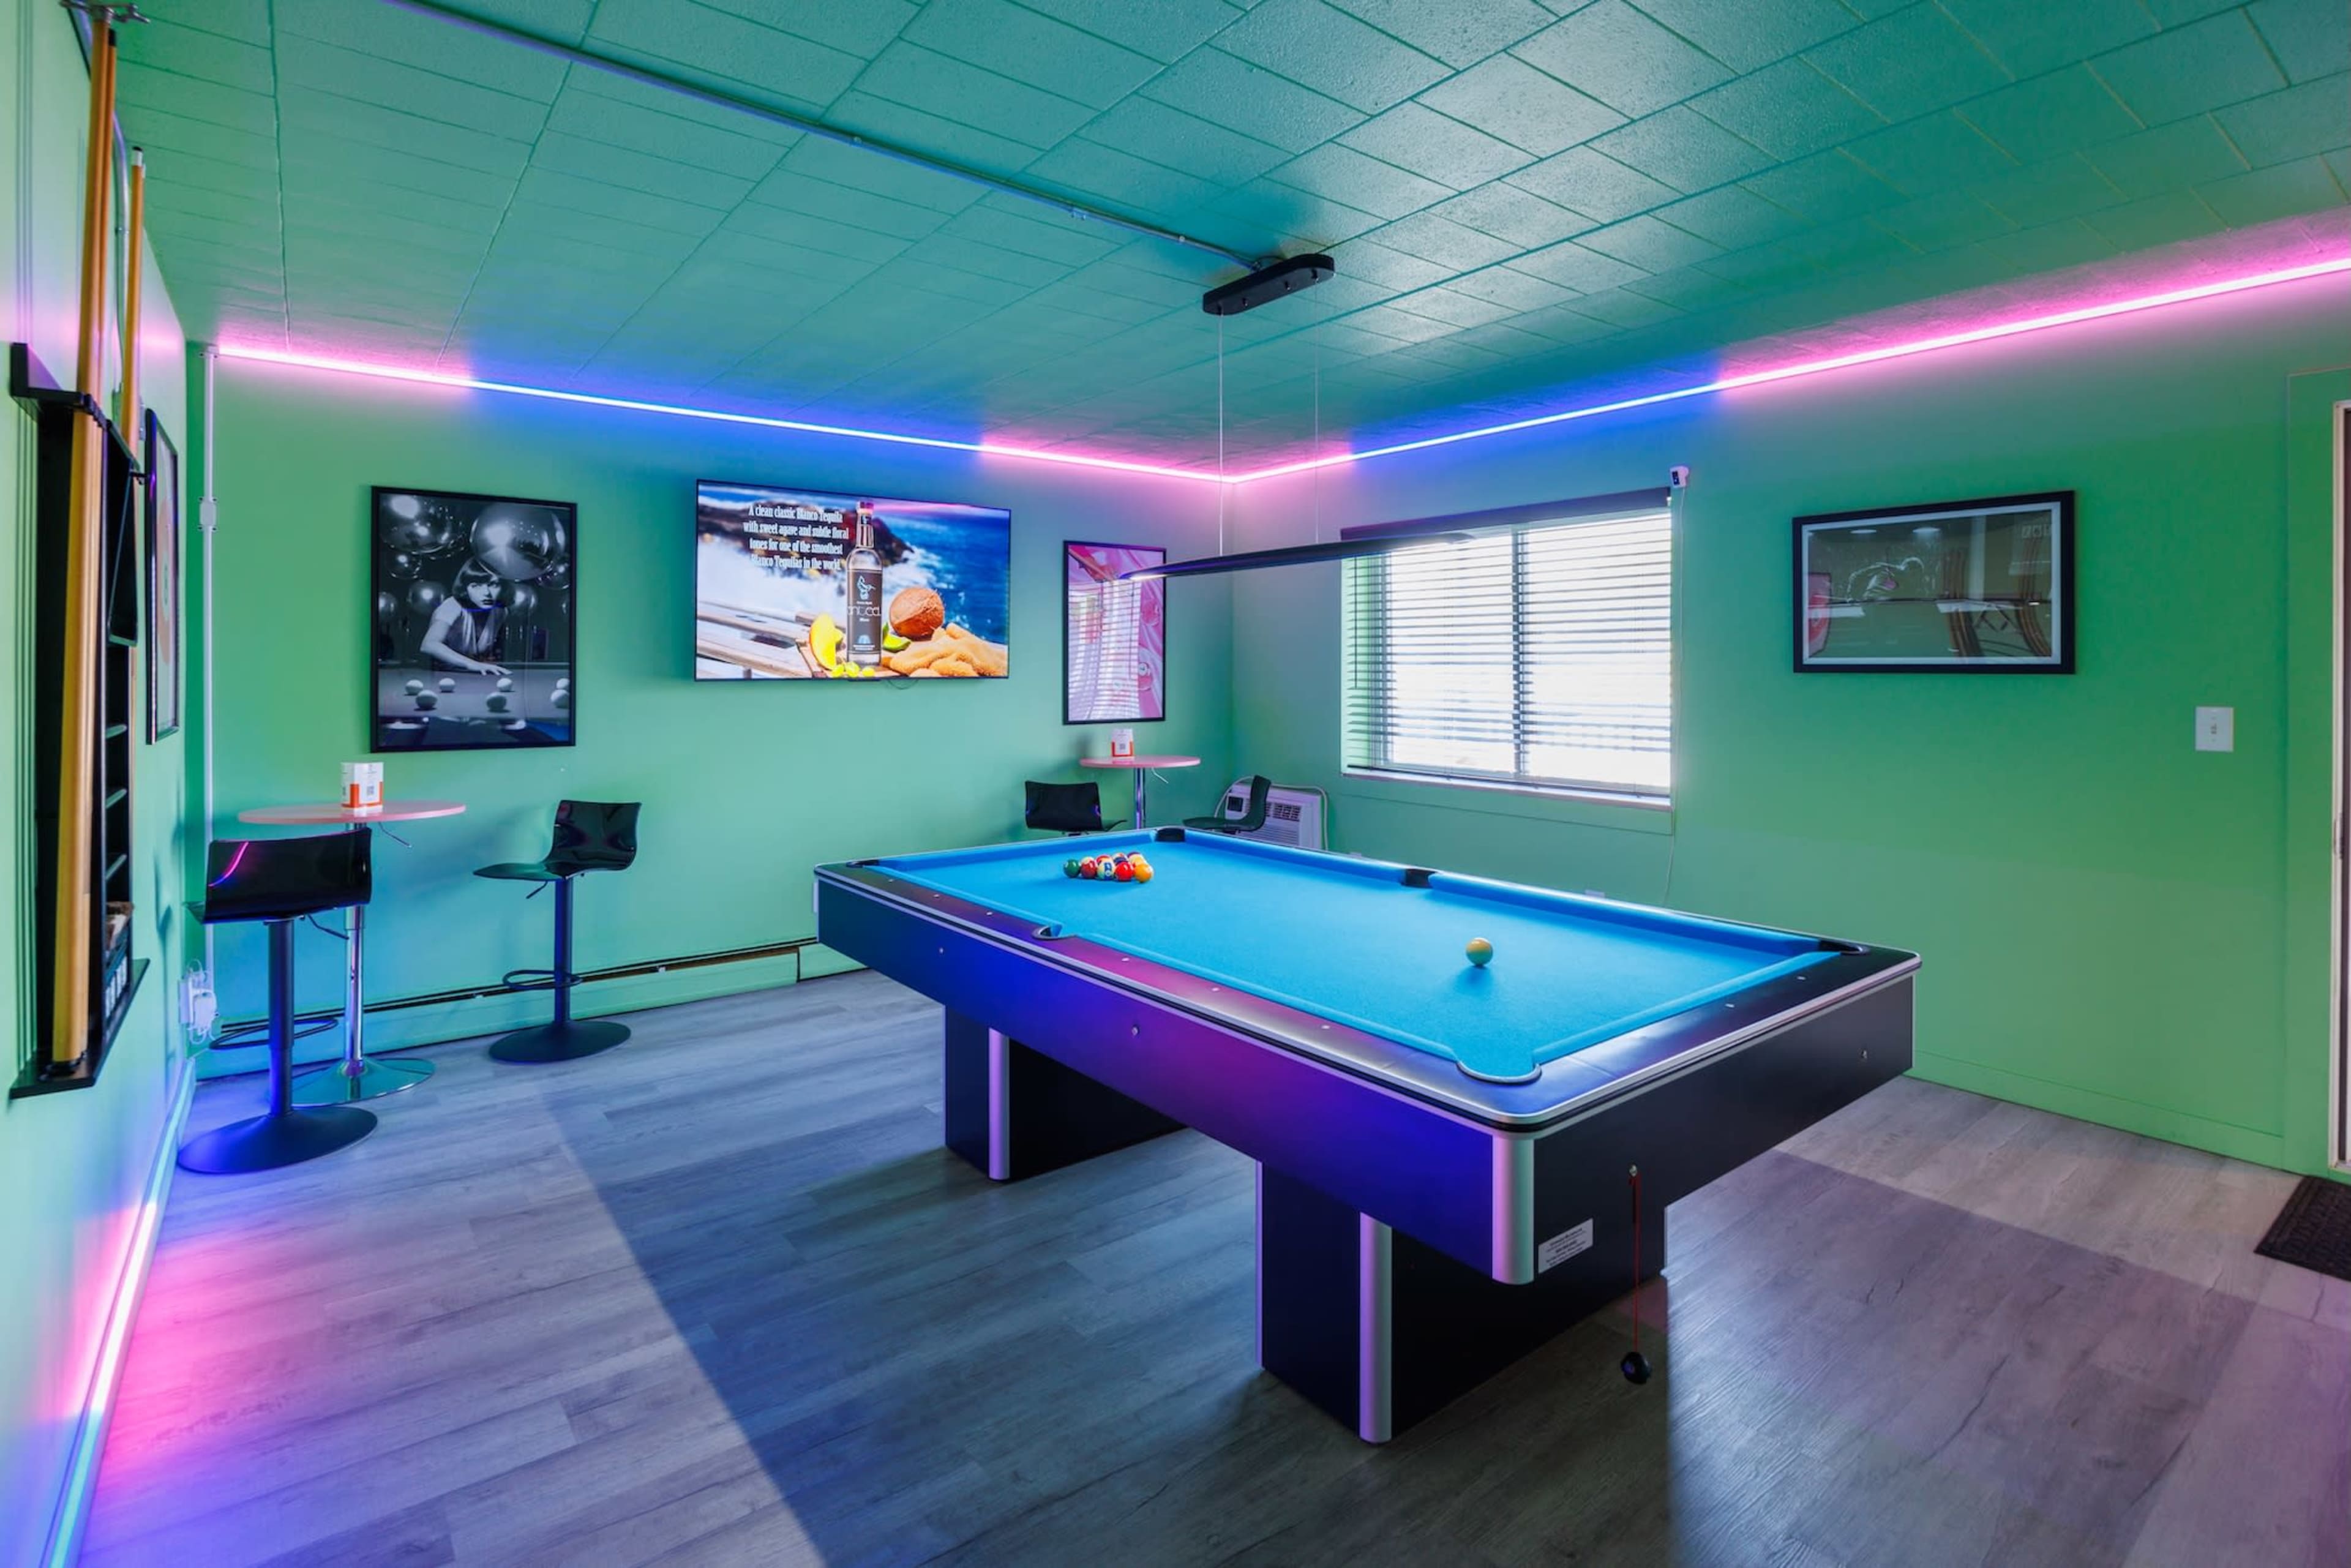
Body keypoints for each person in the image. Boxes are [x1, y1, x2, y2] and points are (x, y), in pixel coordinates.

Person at [419, 560, 511, 675]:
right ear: (465, 588)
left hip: (469, 675)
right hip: (437, 675)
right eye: (476, 586)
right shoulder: (452, 606)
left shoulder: (500, 612)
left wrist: (479, 664)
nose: (486, 593)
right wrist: (474, 664)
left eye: (493, 585)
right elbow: (429, 645)